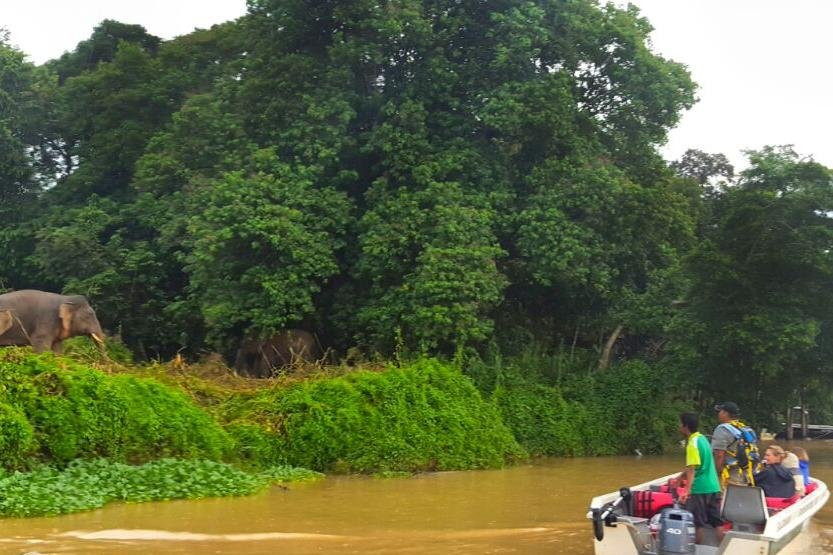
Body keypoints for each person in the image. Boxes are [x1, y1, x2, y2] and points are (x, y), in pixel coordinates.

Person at [678, 412, 724, 545]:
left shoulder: (692, 443)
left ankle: (697, 550)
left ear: (685, 426)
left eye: (680, 424)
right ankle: (723, 550)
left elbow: (692, 469)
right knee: (717, 522)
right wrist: (680, 477)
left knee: (698, 524)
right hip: (714, 487)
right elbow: (699, 464)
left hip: (700, 489)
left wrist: (687, 490)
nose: (678, 426)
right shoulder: (703, 439)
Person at [711, 401, 757, 486]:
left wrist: (715, 475)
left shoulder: (722, 429)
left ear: (725, 413)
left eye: (720, 411)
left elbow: (719, 455)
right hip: (748, 474)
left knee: (730, 498)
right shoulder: (746, 429)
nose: (718, 413)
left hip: (731, 475)